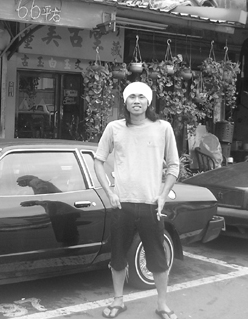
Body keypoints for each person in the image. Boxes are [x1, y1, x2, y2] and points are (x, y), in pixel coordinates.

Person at [94, 81, 180, 319]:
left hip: (151, 205)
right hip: (122, 205)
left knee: (157, 259)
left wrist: (163, 195)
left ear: (148, 101)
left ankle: (162, 304)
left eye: (141, 97)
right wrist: (109, 192)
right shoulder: (114, 128)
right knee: (118, 257)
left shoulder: (163, 128)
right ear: (125, 101)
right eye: (132, 97)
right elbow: (98, 161)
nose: (137, 101)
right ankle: (118, 301)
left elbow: (174, 165)